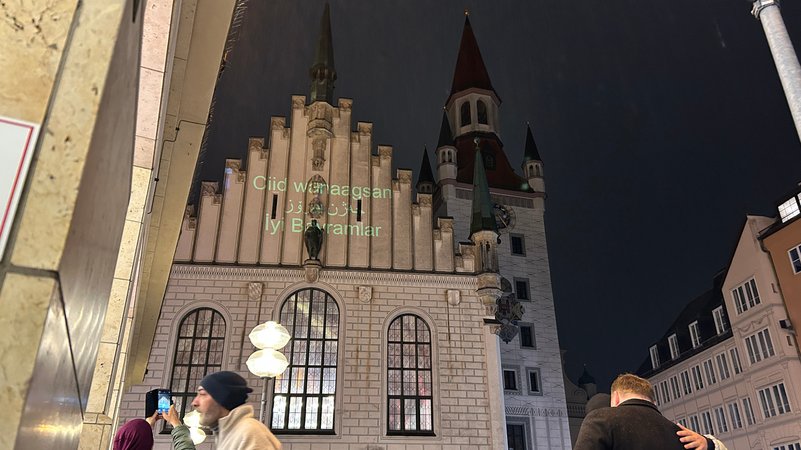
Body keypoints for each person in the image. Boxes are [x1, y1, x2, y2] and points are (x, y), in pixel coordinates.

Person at [574, 373, 716, 450]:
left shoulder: (601, 419)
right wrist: (709, 444)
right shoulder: (684, 436)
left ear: (616, 397)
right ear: (654, 402)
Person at [192, 371, 282, 449]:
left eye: (202, 394)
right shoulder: (231, 435)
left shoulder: (249, 433)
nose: (194, 402)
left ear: (221, 398)